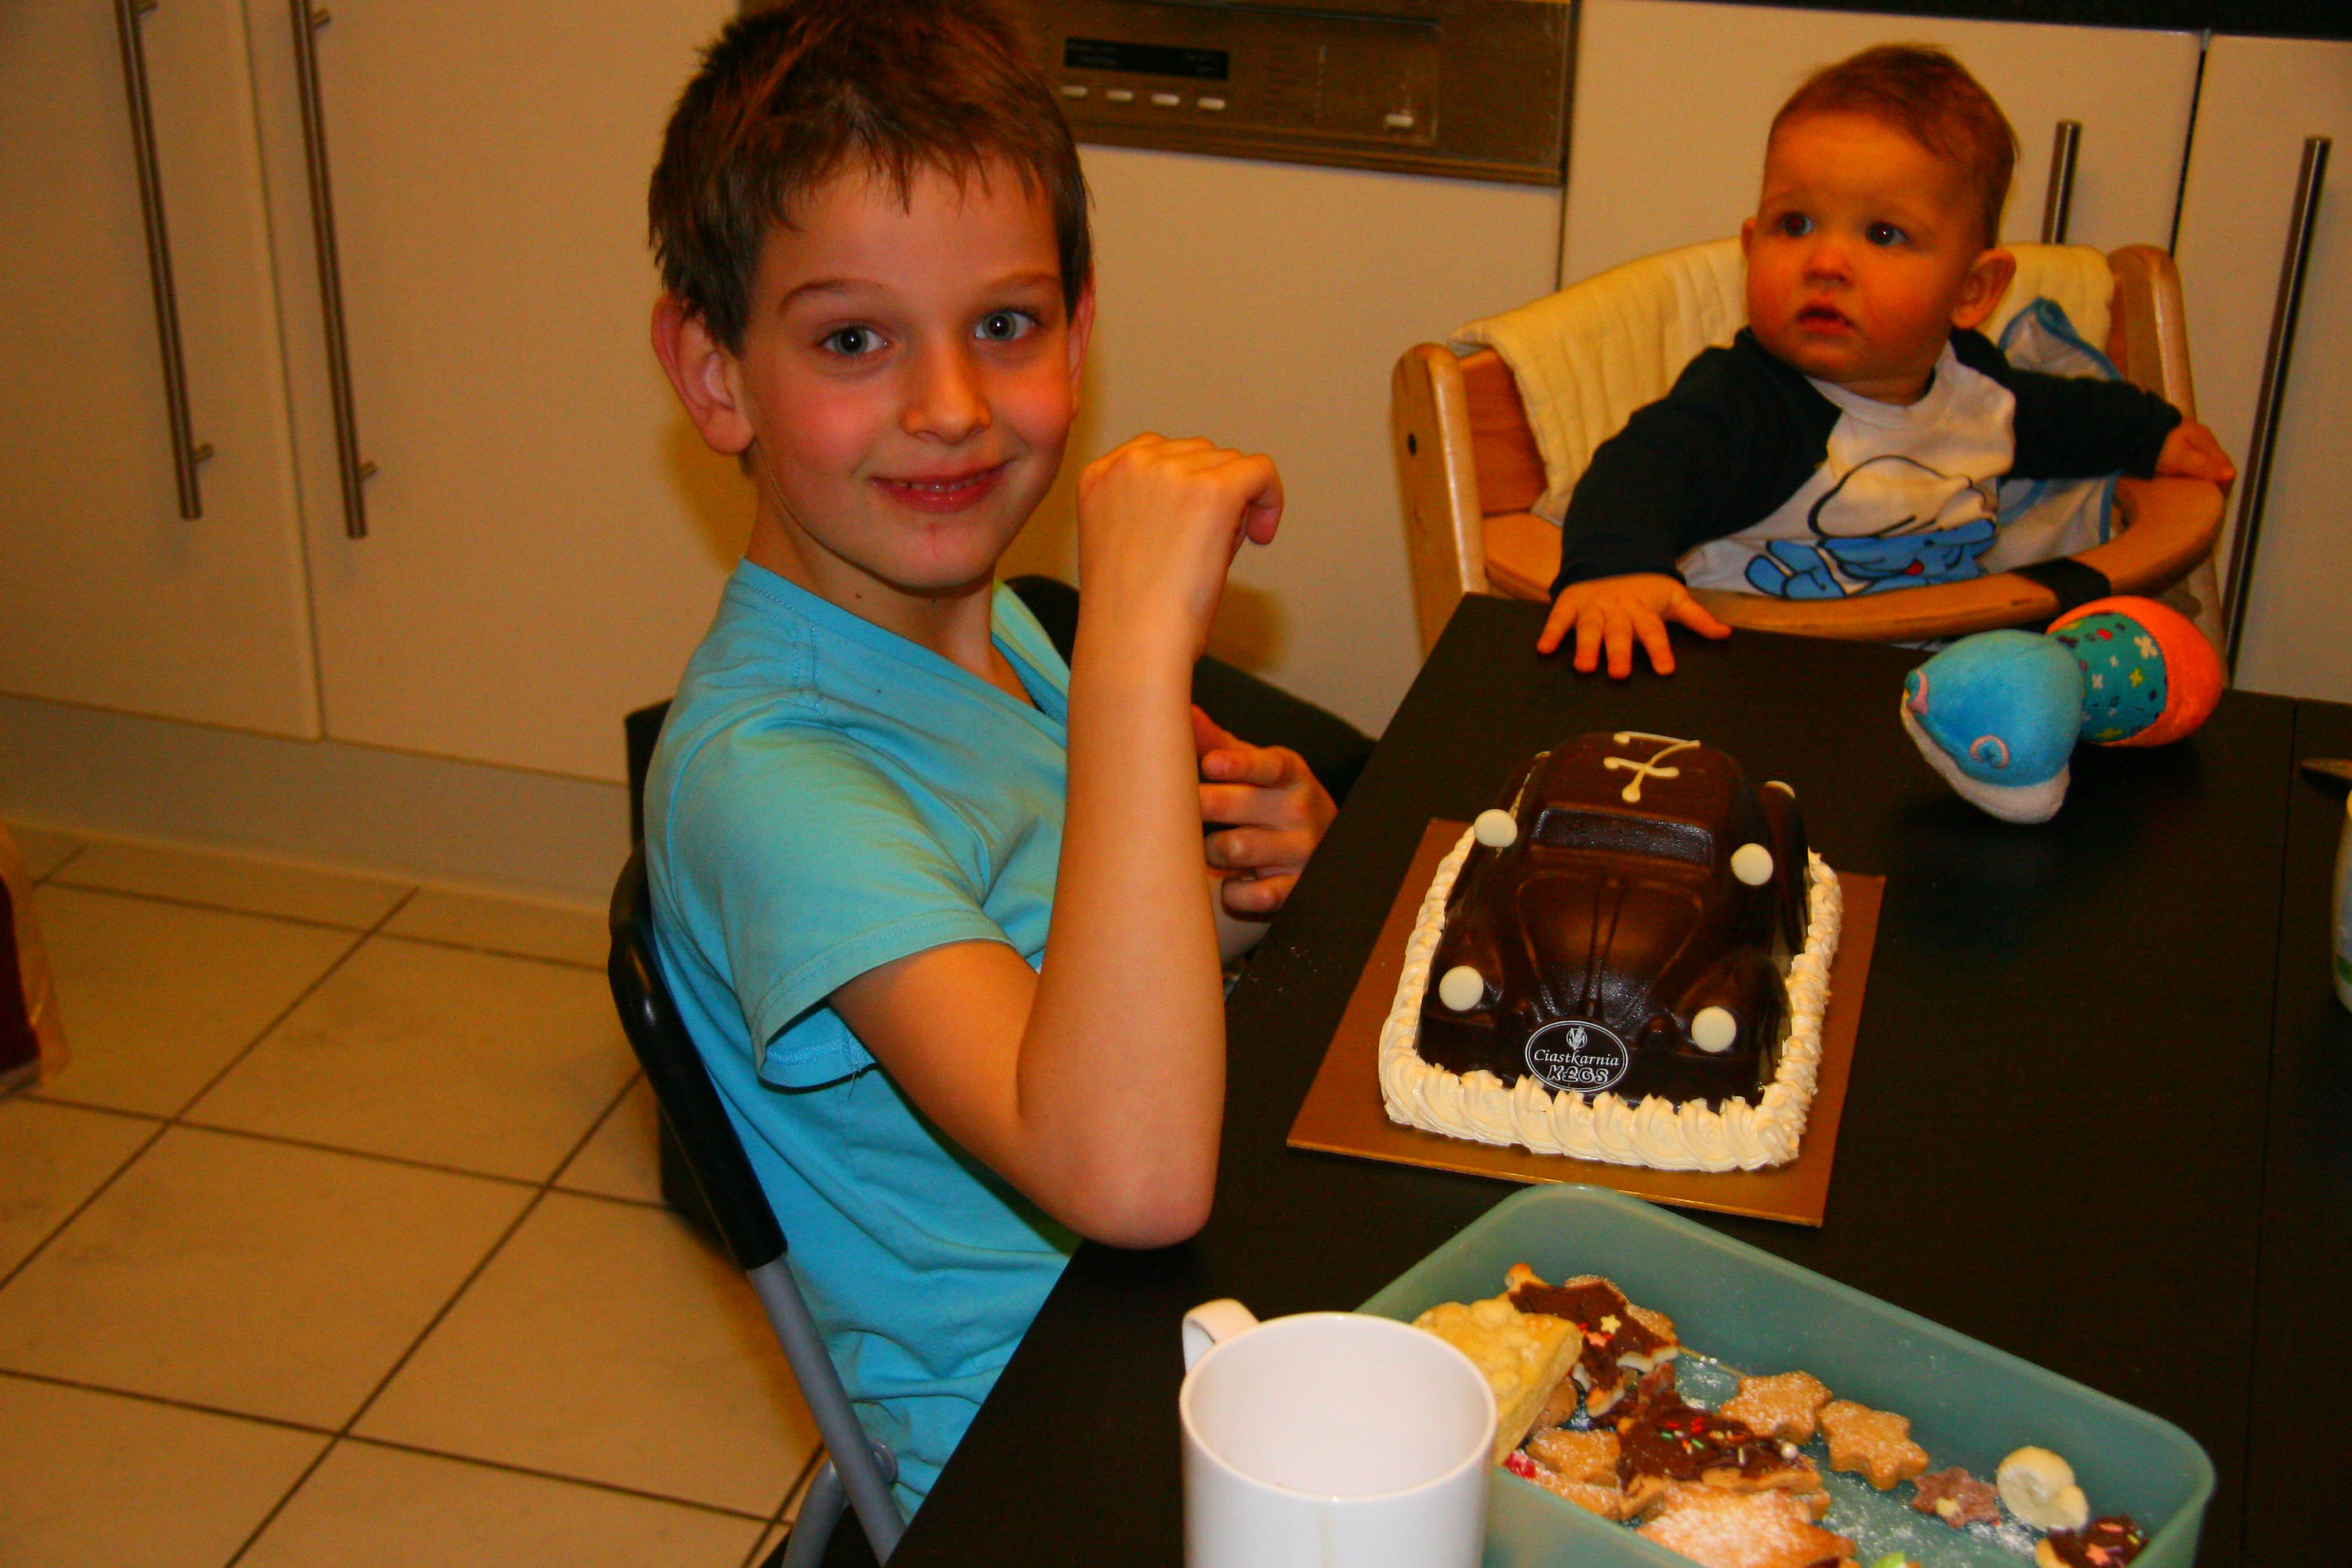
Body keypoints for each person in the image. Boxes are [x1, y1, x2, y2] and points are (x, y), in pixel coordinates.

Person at [640, 0, 1335, 1513]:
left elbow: (1043, 967)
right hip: (1040, 1442)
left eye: (1004, 326)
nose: (949, 409)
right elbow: (1128, 1177)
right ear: (714, 373)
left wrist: (1238, 885)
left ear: (1078, 330)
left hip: (1158, 1320)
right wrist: (1137, 654)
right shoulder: (771, 783)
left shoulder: (989, 624)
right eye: (853, 339)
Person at [1536, 44, 2236, 679]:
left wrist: (2153, 433)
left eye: (1883, 234)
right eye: (1795, 225)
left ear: (1973, 291)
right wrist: (1616, 571)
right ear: (1751, 249)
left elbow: (2066, 417)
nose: (1826, 262)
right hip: (1751, 675)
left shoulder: (1978, 392)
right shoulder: (1745, 404)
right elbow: (1640, 473)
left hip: (1934, 677)